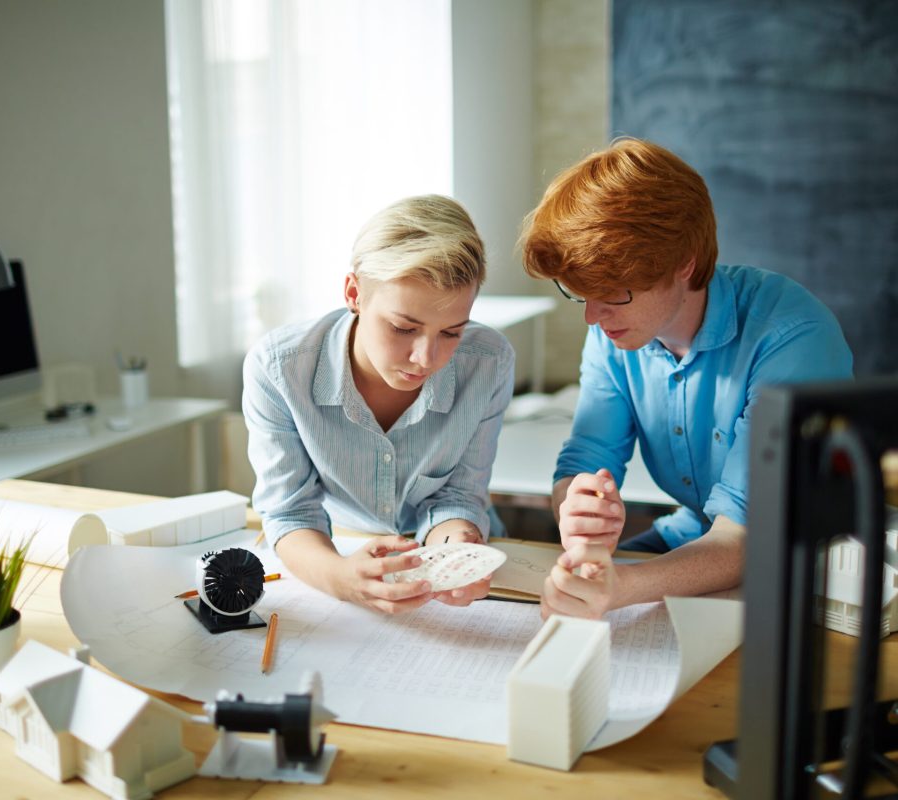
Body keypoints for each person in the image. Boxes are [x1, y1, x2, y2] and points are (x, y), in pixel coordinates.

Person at [519, 137, 853, 619]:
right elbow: (585, 459)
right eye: (581, 294)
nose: (593, 317)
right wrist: (576, 510)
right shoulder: (617, 332)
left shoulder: (792, 338)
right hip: (695, 536)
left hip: (815, 565)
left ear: (684, 264)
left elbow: (745, 535)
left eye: (613, 293)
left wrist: (625, 585)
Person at [243, 195, 515, 614]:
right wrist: (340, 579)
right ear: (354, 292)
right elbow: (290, 512)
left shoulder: (488, 361)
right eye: (404, 327)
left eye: (451, 333)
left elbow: (459, 495)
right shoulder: (279, 368)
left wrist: (456, 550)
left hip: (458, 553)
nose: (426, 358)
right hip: (336, 550)